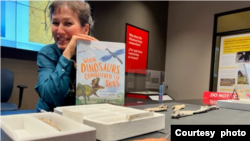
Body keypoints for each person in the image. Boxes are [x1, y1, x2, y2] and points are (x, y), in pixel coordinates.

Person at [35, 0, 98, 112]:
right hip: (51, 120)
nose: (59, 30)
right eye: (55, 23)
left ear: (85, 29)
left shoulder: (94, 55)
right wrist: (67, 55)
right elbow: (52, 98)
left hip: (82, 120)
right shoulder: (47, 53)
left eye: (67, 23)